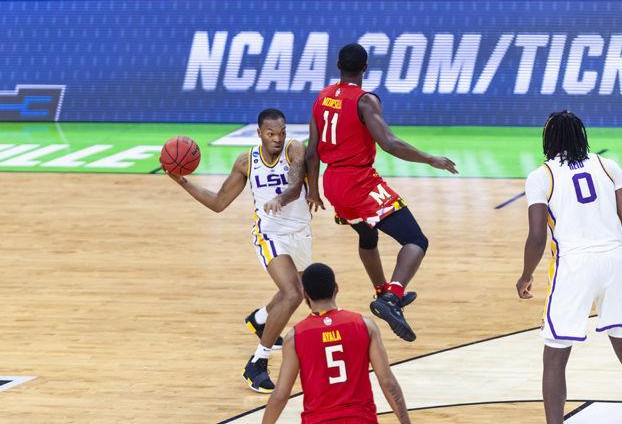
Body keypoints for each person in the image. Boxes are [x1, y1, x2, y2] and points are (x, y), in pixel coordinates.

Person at [302, 43, 457, 342]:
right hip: (358, 182)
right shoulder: (364, 100)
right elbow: (389, 142)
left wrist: (313, 190)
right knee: (415, 239)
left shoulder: (321, 98)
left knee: (367, 235)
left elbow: (311, 151)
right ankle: (392, 296)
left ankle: (381, 290)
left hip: (333, 184)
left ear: (338, 66)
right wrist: (430, 159)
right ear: (365, 68)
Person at [164, 108, 311, 393]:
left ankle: (259, 319)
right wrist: (183, 182)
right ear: (259, 133)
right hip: (269, 234)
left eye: (281, 133)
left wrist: (281, 197)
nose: (277, 139)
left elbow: (295, 183)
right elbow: (219, 202)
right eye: (271, 134)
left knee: (293, 290)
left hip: (301, 232)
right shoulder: (247, 161)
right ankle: (257, 363)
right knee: (292, 293)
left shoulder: (294, 150)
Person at [516, 110, 622, 424]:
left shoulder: (541, 176)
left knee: (555, 353)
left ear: (548, 139)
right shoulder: (608, 166)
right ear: (582, 136)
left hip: (574, 266)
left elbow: (537, 236)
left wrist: (525, 275)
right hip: (616, 260)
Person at [262, 262, 411, 424]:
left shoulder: (295, 337)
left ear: (305, 295)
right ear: (336, 288)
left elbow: (281, 395)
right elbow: (388, 383)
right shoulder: (365, 326)